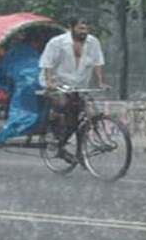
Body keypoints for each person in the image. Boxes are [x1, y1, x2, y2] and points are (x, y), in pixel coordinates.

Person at [39, 17, 108, 162]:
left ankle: (72, 147)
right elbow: (47, 63)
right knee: (63, 104)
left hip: (78, 83)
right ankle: (51, 130)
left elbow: (98, 62)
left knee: (78, 117)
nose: (84, 32)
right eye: (80, 29)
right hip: (57, 81)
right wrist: (50, 82)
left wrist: (101, 82)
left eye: (87, 29)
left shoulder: (93, 42)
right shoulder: (57, 43)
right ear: (71, 27)